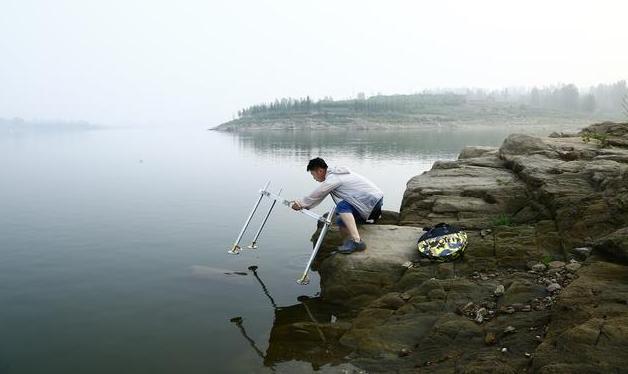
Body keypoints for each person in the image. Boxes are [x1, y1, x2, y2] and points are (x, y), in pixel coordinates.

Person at [291, 157, 384, 254]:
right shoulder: (334, 175)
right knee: (341, 221)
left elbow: (319, 192)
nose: (314, 178)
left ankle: (357, 241)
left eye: (313, 174)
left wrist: (300, 204)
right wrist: (303, 204)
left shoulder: (334, 177)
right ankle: (349, 243)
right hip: (373, 204)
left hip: (372, 201)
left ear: (320, 171)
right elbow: (320, 195)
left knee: (342, 206)